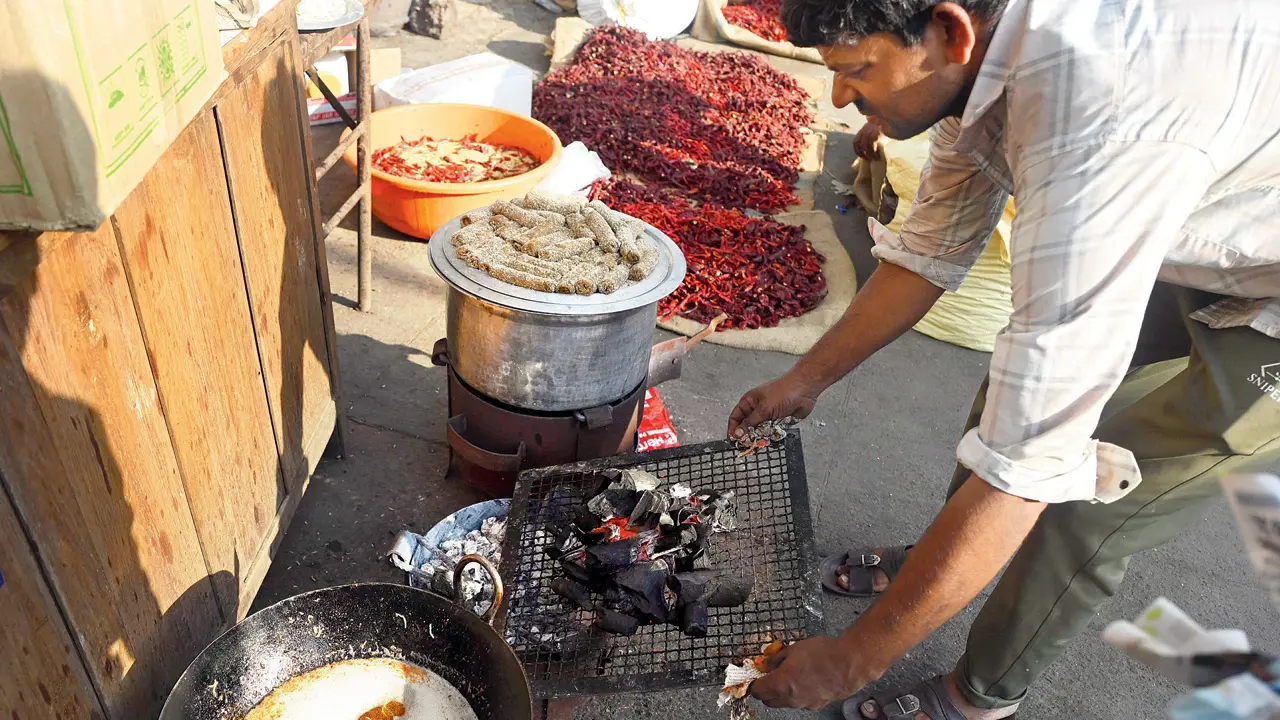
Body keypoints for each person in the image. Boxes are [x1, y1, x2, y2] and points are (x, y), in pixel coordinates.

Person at [729, 0, 1280, 717]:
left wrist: (850, 661)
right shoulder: (980, 56)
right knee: (1009, 395)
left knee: (1082, 507)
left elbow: (1029, 461)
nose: (837, 98)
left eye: (856, 71)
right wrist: (805, 379)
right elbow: (931, 249)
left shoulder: (1096, 133)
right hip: (1199, 211)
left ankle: (980, 693)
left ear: (950, 32)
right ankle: (933, 575)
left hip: (1260, 282)